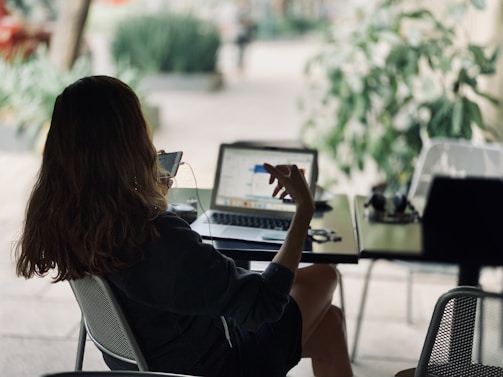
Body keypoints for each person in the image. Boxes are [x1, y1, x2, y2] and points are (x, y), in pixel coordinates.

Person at [15, 75, 353, 377]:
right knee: (324, 275)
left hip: (148, 361)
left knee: (330, 324)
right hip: (216, 367)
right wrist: (303, 213)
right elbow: (262, 306)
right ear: (129, 142)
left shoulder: (71, 220)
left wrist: (149, 196)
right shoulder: (153, 236)